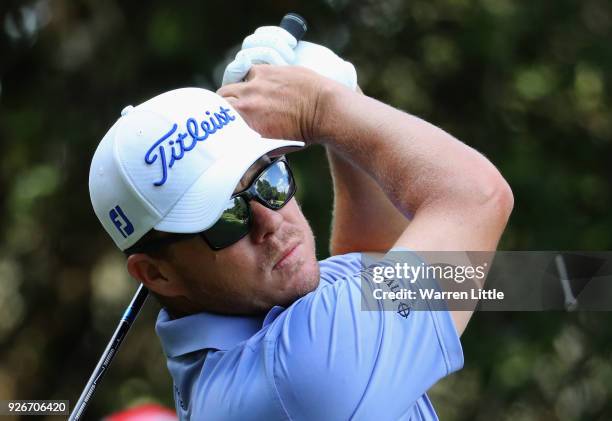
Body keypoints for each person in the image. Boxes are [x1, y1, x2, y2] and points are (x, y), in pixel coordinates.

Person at [88, 25, 513, 420]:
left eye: (270, 178)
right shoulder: (296, 379)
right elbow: (477, 199)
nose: (270, 221)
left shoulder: (254, 336)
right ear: (156, 273)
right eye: (226, 216)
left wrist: (346, 100)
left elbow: (375, 263)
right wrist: (322, 106)